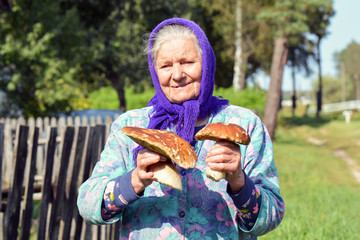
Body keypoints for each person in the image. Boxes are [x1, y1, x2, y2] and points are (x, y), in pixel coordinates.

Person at [77, 18, 285, 239]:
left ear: (206, 63)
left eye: (187, 62)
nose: (176, 74)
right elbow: (88, 206)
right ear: (154, 71)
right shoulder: (131, 128)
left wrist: (238, 181)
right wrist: (136, 179)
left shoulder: (244, 125)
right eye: (165, 65)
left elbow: (271, 216)